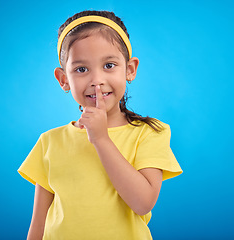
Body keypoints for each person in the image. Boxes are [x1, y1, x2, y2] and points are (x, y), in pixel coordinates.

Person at [18, 10, 183, 240]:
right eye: (81, 69)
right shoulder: (49, 142)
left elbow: (143, 203)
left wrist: (101, 139)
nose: (96, 79)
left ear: (130, 69)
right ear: (63, 79)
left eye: (109, 65)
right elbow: (38, 224)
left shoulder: (149, 133)